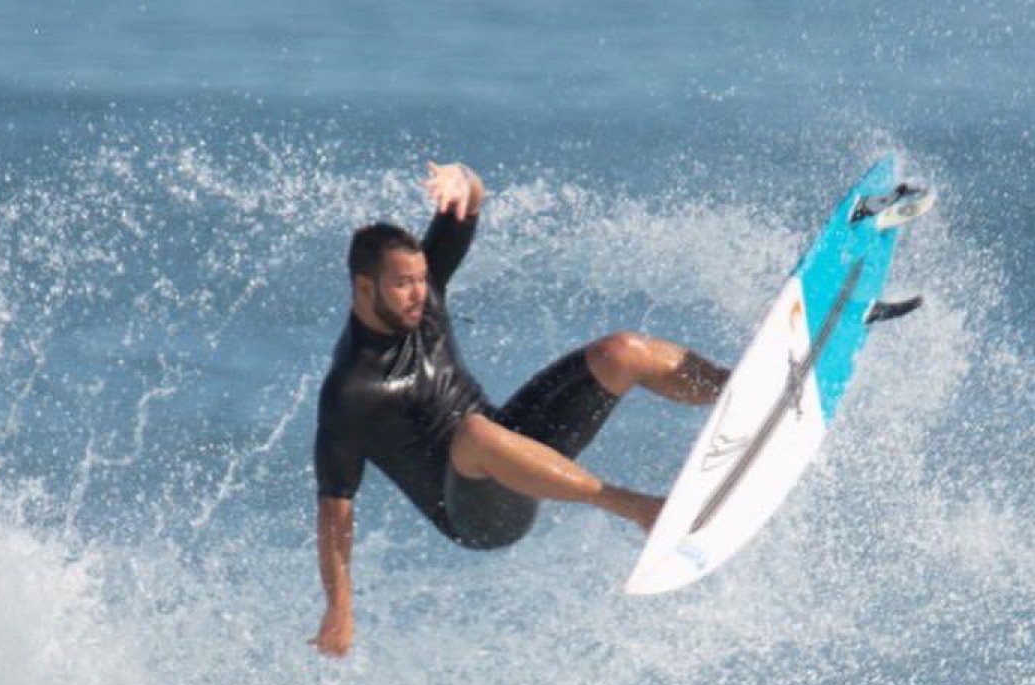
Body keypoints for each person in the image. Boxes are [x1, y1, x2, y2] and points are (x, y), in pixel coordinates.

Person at [311, 159, 728, 657]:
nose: (419, 293)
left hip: (511, 445)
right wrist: (340, 607)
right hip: (479, 515)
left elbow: (470, 201)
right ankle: (640, 509)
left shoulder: (422, 294)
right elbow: (335, 508)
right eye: (404, 284)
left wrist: (462, 179)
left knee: (620, 352)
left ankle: (730, 387)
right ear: (364, 287)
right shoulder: (351, 392)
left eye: (422, 279)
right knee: (474, 434)